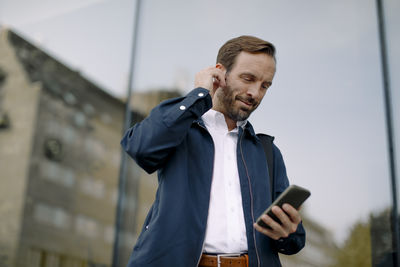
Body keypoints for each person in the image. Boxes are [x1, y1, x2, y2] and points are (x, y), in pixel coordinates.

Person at [121, 35, 305, 267]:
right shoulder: (181, 129)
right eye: (248, 79)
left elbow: (294, 242)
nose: (255, 93)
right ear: (220, 72)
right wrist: (200, 93)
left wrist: (289, 231)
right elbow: (140, 148)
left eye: (265, 85)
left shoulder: (267, 152)